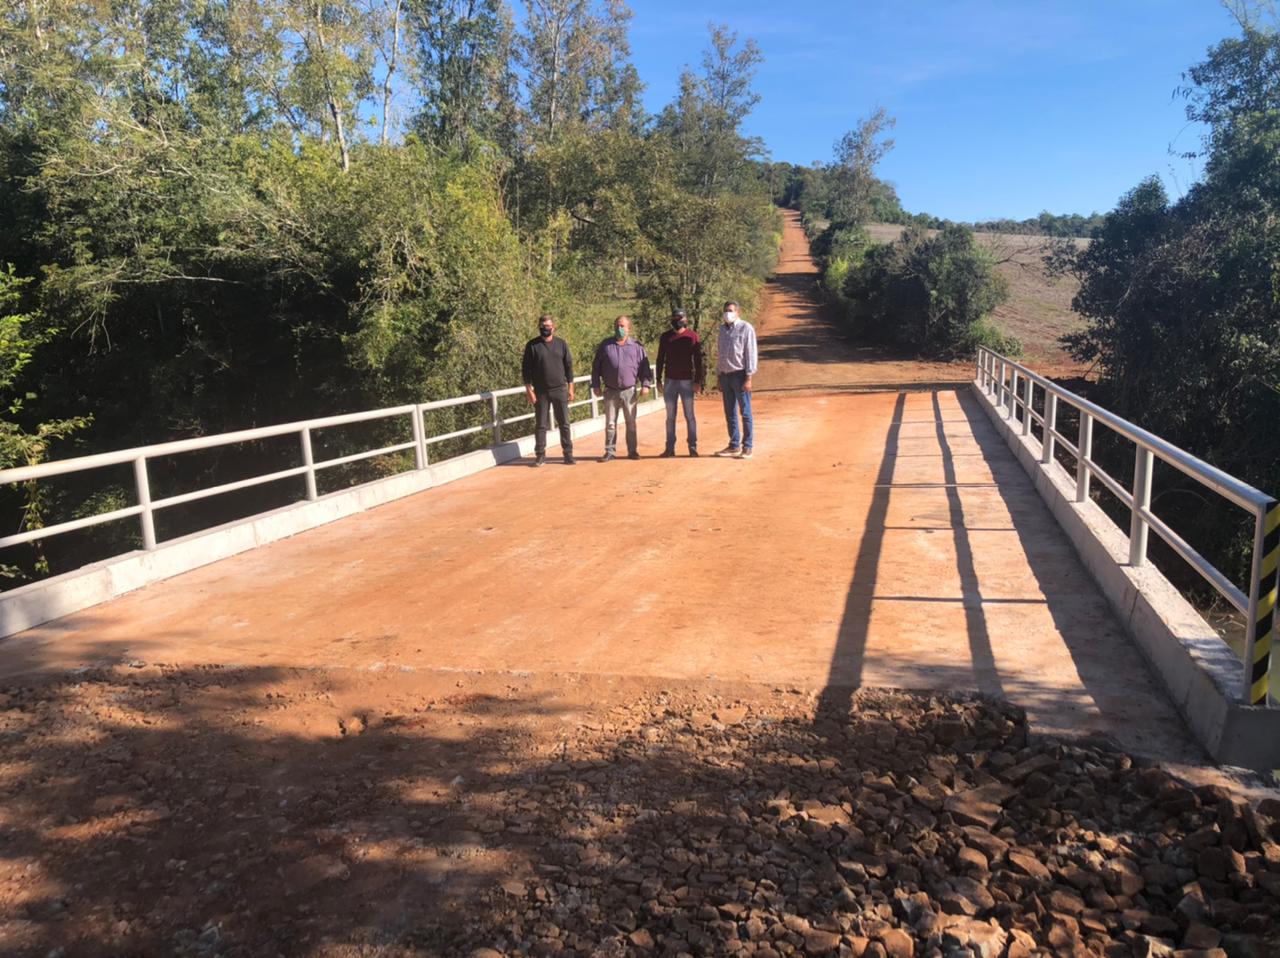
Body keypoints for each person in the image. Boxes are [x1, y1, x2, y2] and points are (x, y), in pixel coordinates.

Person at [590, 315, 653, 461]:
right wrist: (596, 384)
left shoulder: (637, 347)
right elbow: (596, 367)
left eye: (622, 326)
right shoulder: (605, 346)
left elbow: (645, 368)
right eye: (617, 325)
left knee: (630, 422)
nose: (620, 329)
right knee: (611, 423)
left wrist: (646, 385)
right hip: (610, 390)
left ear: (629, 328)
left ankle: (632, 451)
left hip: (629, 391)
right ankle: (610, 452)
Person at [521, 314, 576, 466]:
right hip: (540, 391)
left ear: (553, 327)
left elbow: (569, 367)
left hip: (560, 389)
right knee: (541, 424)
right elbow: (526, 370)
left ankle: (568, 454)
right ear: (539, 327)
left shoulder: (561, 344)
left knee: (564, 423)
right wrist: (529, 390)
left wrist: (571, 388)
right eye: (543, 326)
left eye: (548, 326)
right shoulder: (532, 346)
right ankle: (540, 455)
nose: (546, 329)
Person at [655, 308, 705, 457]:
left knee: (689, 415)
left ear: (685, 319)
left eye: (679, 318)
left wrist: (698, 381)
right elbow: (660, 359)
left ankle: (692, 446)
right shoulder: (665, 337)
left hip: (687, 382)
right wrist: (658, 379)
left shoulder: (692, 337)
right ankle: (670, 448)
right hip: (670, 381)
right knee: (670, 417)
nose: (677, 320)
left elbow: (698, 361)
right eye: (674, 317)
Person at [715, 300, 757, 459]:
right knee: (729, 412)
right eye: (726, 310)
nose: (728, 313)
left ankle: (747, 446)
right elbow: (719, 353)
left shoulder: (746, 328)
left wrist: (748, 377)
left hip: (740, 375)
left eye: (731, 310)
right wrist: (719, 375)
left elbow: (750, 353)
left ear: (738, 312)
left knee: (745, 412)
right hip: (725, 376)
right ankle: (734, 445)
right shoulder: (722, 330)